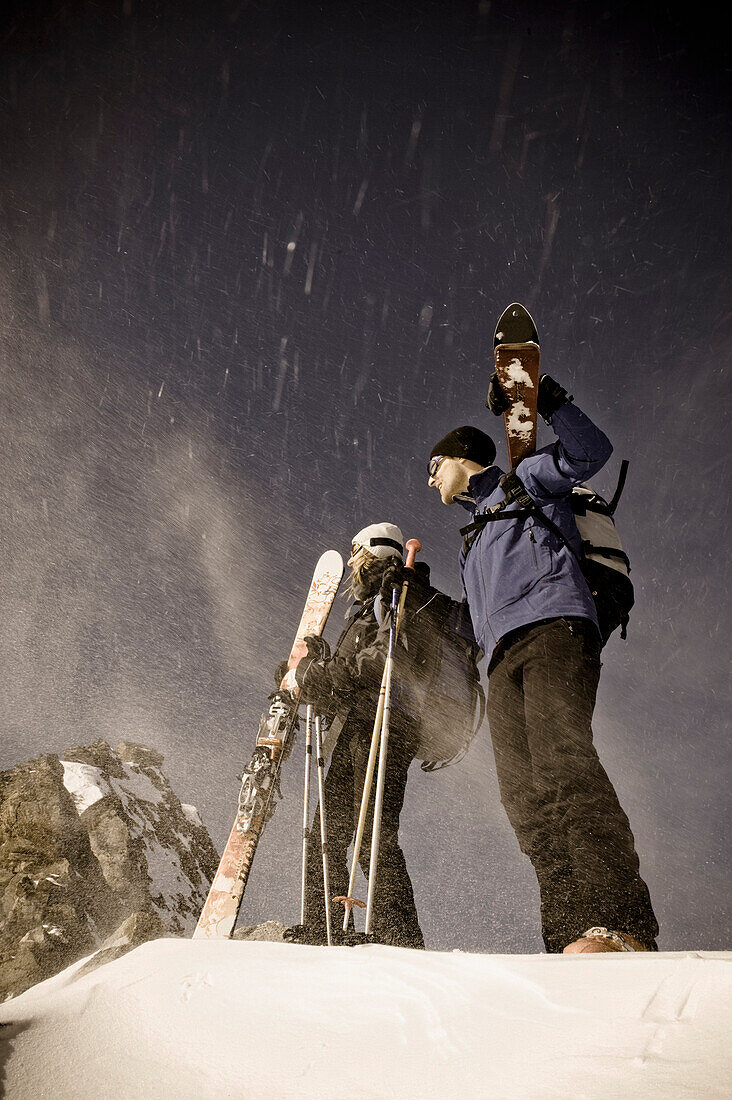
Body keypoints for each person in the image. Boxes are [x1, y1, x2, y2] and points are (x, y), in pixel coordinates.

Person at [427, 373, 659, 954]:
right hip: (502, 658)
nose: (429, 478)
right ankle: (568, 930)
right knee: (524, 796)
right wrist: (409, 592)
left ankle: (620, 921)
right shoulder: (472, 539)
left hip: (556, 628)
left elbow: (590, 452)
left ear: (460, 457)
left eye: (434, 465)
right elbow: (468, 623)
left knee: (563, 761)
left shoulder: (523, 483)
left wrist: (548, 402)